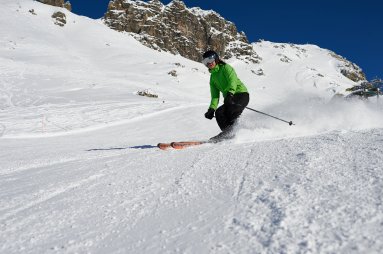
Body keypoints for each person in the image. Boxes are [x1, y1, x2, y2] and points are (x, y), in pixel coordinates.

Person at [202, 50, 250, 142]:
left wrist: (230, 93)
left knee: (231, 110)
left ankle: (237, 132)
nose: (208, 63)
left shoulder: (226, 68)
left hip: (241, 94)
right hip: (230, 97)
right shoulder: (213, 78)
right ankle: (228, 133)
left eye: (210, 60)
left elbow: (233, 81)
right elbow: (215, 96)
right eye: (205, 62)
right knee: (219, 112)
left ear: (216, 59)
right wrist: (211, 109)